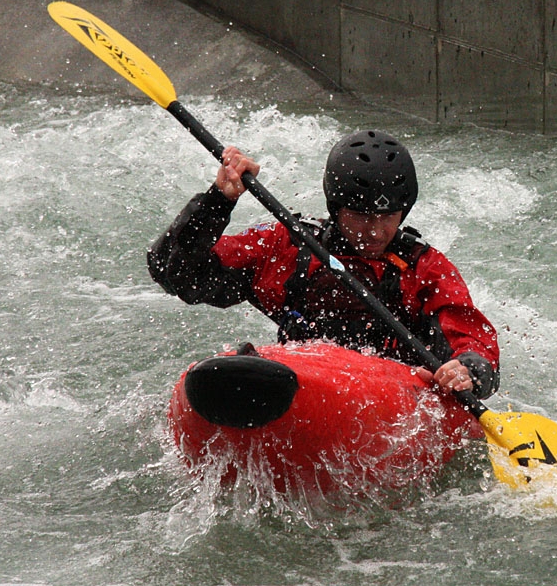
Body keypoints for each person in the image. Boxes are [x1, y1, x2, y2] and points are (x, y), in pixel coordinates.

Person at [147, 129, 500, 398]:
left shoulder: (424, 268)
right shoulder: (290, 247)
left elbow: (471, 335)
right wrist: (217, 201)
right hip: (306, 381)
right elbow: (172, 270)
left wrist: (470, 369)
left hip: (396, 390)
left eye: (389, 216)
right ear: (336, 207)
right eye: (361, 216)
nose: (376, 232)